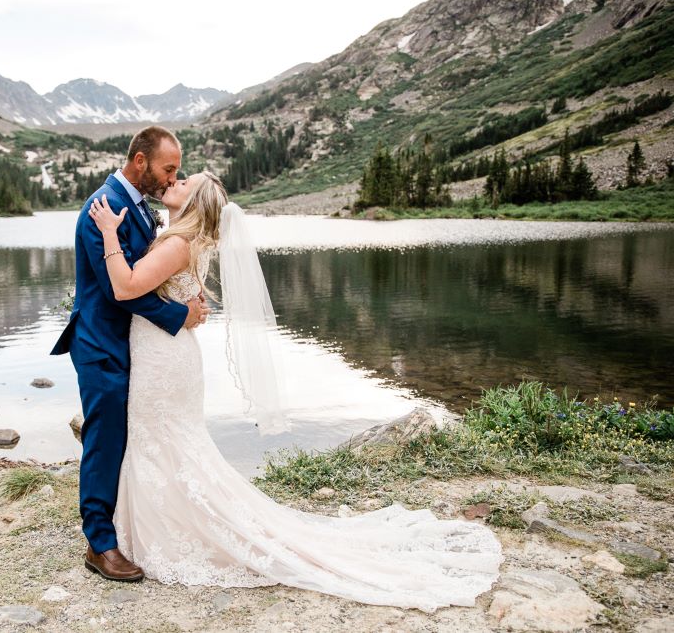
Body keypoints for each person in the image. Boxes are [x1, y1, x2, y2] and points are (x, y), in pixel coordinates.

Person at [85, 170, 503, 612]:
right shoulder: (188, 239)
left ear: (195, 201)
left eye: (186, 181)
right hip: (169, 355)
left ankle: (166, 531)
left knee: (163, 440)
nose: (177, 180)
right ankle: (155, 523)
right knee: (170, 442)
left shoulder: (176, 243)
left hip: (164, 359)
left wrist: (110, 233)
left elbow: (127, 285)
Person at [50, 126, 209, 582]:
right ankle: (99, 545)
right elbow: (123, 291)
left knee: (128, 438)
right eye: (168, 169)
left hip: (132, 345)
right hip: (101, 344)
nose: (170, 177)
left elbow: (153, 273)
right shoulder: (103, 209)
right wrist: (179, 315)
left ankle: (127, 525)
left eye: (176, 171)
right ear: (140, 162)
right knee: (104, 440)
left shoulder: (138, 207)